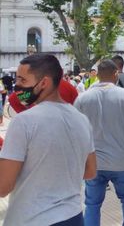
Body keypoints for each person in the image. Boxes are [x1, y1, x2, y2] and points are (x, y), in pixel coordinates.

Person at [0, 54, 97, 226]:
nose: (18, 86)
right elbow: (90, 171)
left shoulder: (24, 122)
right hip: (73, 216)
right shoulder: (82, 119)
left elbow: (3, 186)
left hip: (32, 219)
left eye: (22, 80)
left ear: (44, 82)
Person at [74, 59, 124, 226]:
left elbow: (75, 130)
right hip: (122, 160)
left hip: (93, 162)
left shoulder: (83, 98)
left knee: (92, 204)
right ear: (115, 73)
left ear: (96, 74)